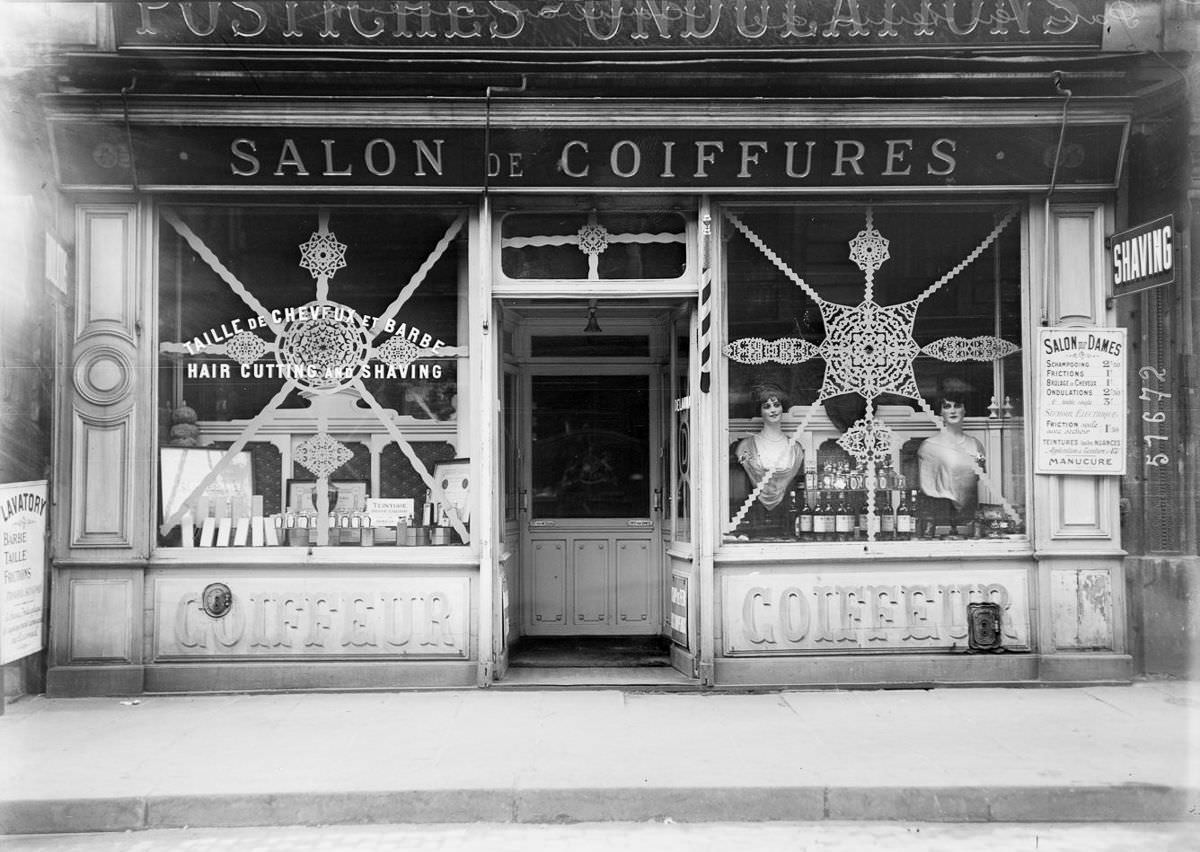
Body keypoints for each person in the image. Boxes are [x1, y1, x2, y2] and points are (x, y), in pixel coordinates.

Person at [735, 383, 804, 536]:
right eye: (766, 406)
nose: (773, 410)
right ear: (759, 411)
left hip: (788, 524)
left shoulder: (796, 449)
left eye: (776, 405)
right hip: (752, 522)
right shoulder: (745, 448)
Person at [917, 391, 985, 527]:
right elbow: (926, 486)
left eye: (957, 406)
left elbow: (980, 476)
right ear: (940, 413)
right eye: (947, 406)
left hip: (969, 517)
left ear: (964, 410)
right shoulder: (929, 447)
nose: (953, 411)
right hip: (942, 516)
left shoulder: (976, 445)